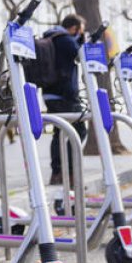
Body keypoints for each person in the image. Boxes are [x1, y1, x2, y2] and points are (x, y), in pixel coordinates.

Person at [37, 14, 88, 187]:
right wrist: (82, 41)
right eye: (80, 29)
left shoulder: (51, 37)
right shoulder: (66, 40)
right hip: (65, 95)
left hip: (49, 94)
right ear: (74, 28)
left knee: (59, 133)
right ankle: (70, 173)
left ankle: (57, 173)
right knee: (79, 131)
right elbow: (81, 56)